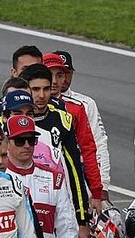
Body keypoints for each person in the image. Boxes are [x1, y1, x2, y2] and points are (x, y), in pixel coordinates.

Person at [21, 63, 92, 238]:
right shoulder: (9, 120)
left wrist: (82, 219)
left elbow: (74, 170)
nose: (41, 95)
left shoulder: (62, 120)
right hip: (21, 202)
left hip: (56, 203)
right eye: (35, 89)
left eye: (45, 89)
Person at [43, 53, 104, 213]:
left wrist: (97, 191)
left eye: (60, 75)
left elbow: (88, 150)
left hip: (72, 181)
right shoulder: (28, 107)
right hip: (40, 181)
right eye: (50, 75)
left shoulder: (76, 108)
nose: (55, 81)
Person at [54, 50, 112, 203]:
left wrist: (102, 185)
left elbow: (97, 145)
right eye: (57, 73)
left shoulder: (85, 104)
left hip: (80, 175)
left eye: (66, 73)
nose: (63, 78)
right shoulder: (37, 104)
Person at [0, 45, 43, 119]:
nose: (31, 73)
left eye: (35, 69)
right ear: (14, 72)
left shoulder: (55, 106)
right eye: (25, 69)